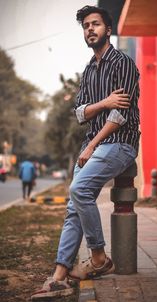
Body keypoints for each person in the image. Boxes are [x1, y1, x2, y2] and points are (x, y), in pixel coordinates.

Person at [31, 5, 140, 300]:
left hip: (120, 143)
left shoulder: (123, 63)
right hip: (92, 146)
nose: (90, 29)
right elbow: (80, 113)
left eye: (95, 24)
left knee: (79, 189)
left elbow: (120, 116)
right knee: (73, 207)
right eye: (85, 26)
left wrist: (92, 144)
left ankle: (99, 258)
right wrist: (104, 103)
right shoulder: (89, 70)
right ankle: (58, 277)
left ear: (108, 28)